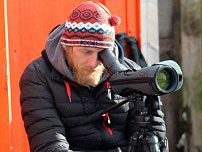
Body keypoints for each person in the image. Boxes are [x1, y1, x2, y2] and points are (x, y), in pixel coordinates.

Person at [20, 1, 167, 152]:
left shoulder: (131, 72)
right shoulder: (38, 75)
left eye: (102, 53)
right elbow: (49, 146)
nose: (93, 63)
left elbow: (152, 139)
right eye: (86, 52)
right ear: (66, 46)